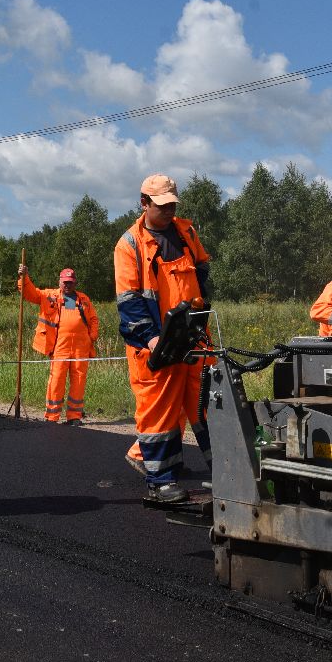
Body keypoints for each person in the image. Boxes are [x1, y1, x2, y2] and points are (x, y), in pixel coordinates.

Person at [114, 174, 212, 506]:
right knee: (159, 412)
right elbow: (129, 302)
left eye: (172, 205)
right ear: (144, 203)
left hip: (193, 336)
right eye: (162, 206)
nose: (169, 211)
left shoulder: (186, 232)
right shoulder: (129, 245)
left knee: (207, 403)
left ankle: (228, 471)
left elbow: (202, 274)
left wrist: (202, 320)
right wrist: (152, 339)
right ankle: (159, 482)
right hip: (155, 342)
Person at [18, 264, 101, 423]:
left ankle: (74, 417)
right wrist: (24, 277)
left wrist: (92, 336)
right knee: (56, 380)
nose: (67, 285)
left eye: (70, 282)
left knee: (79, 381)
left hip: (81, 348)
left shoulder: (84, 299)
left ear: (75, 282)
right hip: (59, 347)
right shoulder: (49, 295)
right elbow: (29, 294)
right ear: (59, 282)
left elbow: (94, 319)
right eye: (65, 282)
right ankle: (52, 416)